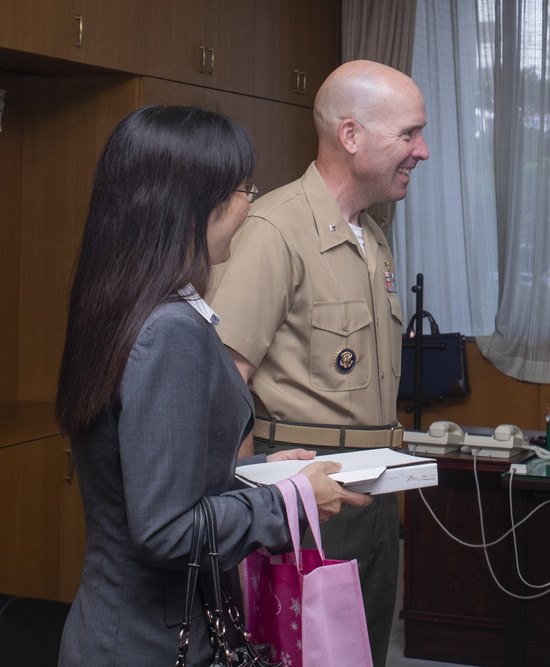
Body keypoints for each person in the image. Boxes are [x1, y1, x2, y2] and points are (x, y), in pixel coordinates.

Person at [55, 105, 373, 666]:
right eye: (244, 189)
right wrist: (290, 502)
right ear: (194, 203)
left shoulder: (120, 306)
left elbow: (160, 476)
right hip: (150, 641)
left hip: (121, 629)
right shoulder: (169, 329)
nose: (250, 206)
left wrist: (261, 478)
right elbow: (165, 531)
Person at [207, 60, 429, 667]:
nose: (423, 150)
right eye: (408, 134)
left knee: (364, 653)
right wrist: (241, 507)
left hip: (374, 496)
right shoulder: (274, 231)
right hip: (307, 501)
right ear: (351, 136)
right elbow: (221, 383)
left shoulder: (373, 236)